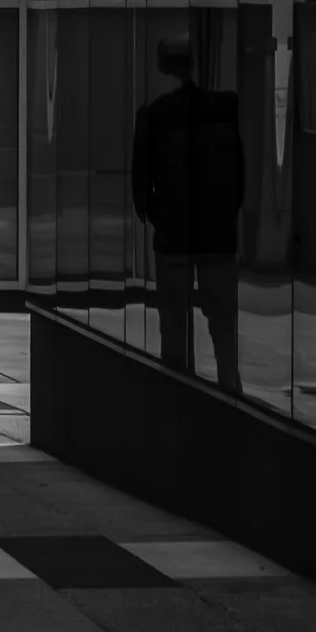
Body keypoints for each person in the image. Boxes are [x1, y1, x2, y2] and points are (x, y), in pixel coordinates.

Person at [131, 31, 245, 393]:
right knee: (222, 320)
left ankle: (176, 387)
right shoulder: (225, 111)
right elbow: (239, 176)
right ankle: (229, 384)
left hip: (174, 235)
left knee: (174, 319)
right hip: (217, 234)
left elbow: (141, 181)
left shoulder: (156, 114)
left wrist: (156, 215)